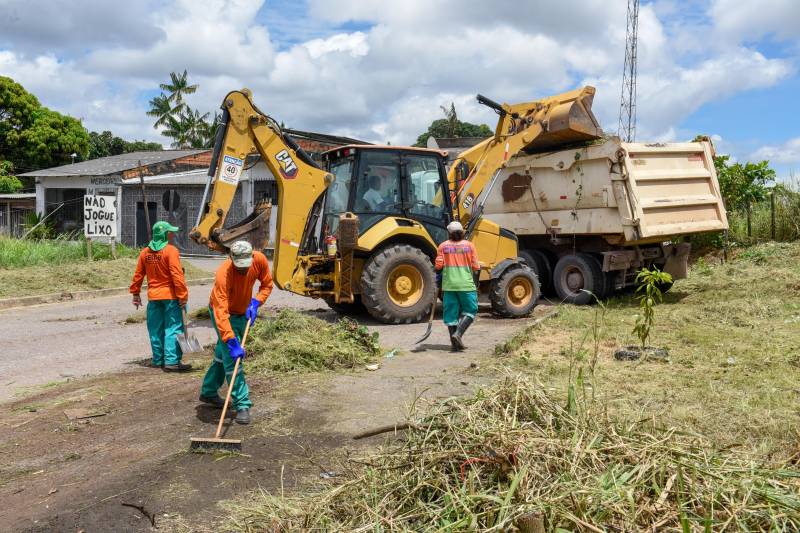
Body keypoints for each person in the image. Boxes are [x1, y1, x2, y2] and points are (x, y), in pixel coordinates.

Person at [199, 240, 273, 425]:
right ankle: (242, 404)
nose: (243, 270)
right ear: (231, 258)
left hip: (242, 311)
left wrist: (256, 302)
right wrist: (231, 341)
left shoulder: (259, 260)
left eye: (245, 266)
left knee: (221, 355)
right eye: (239, 267)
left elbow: (267, 284)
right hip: (223, 313)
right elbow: (220, 312)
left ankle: (208, 391)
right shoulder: (223, 274)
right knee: (233, 359)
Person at [129, 221, 191, 371]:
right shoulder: (171, 251)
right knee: (173, 328)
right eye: (169, 232)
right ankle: (171, 362)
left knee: (155, 329)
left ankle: (158, 359)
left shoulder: (145, 253)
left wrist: (136, 294)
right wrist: (183, 296)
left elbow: (138, 275)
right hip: (171, 297)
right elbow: (177, 275)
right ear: (164, 234)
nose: (172, 234)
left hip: (154, 297)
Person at [435, 221, 480, 351]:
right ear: (461, 232)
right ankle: (458, 334)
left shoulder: (443, 246)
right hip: (466, 285)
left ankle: (455, 345)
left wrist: (438, 275)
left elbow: (438, 266)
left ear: (449, 233)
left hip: (449, 286)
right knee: (471, 310)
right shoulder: (469, 246)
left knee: (451, 315)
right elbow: (476, 266)